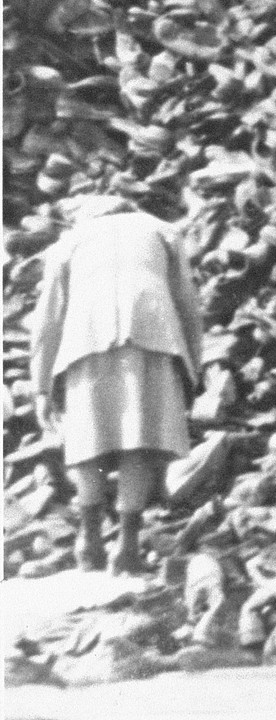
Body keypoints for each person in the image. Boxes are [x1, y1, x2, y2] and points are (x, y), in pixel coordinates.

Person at [29, 197, 204, 573]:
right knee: (136, 440)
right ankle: (127, 547)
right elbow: (188, 306)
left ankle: (88, 541)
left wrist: (41, 384)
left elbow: (47, 320)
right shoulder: (163, 230)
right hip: (152, 336)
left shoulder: (71, 240)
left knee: (88, 442)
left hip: (84, 340)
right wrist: (194, 366)